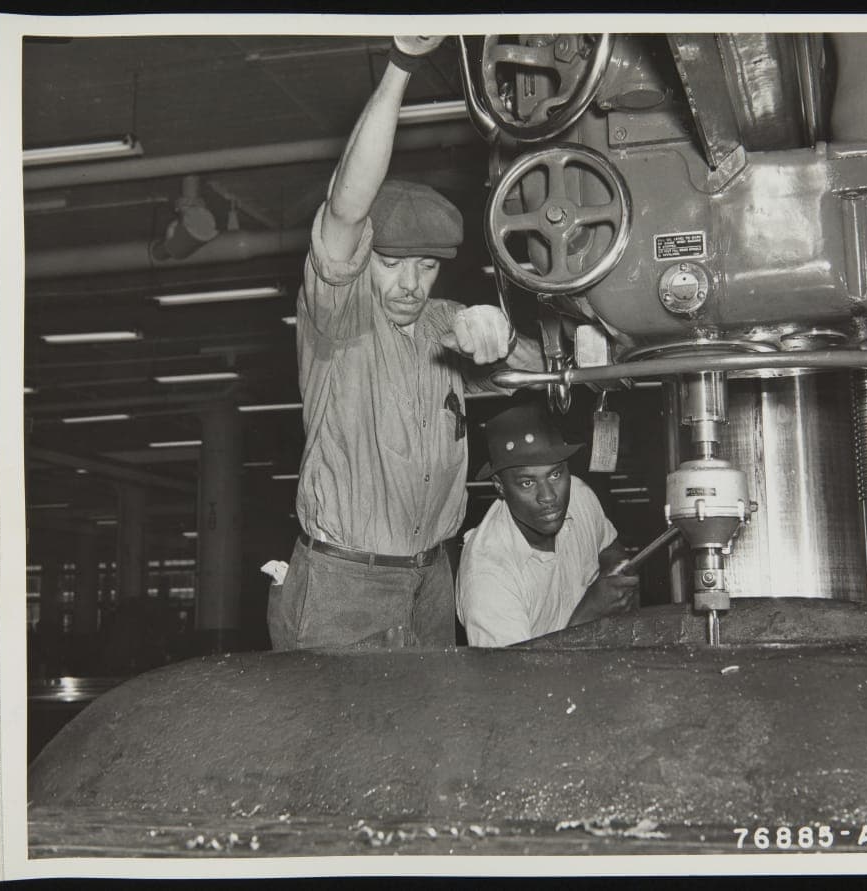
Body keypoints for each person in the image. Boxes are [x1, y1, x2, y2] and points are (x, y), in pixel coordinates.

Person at [268, 35, 541, 651]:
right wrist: (401, 66)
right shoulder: (336, 317)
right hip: (343, 583)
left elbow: (544, 368)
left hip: (430, 575)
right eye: (393, 263)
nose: (411, 286)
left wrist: (505, 335)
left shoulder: (444, 320)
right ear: (366, 259)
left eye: (427, 266)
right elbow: (345, 206)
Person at [456, 403, 640, 647]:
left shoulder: (580, 496)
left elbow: (609, 548)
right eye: (527, 483)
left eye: (555, 475)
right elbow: (512, 681)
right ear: (500, 486)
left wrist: (616, 575)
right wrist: (588, 615)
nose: (549, 497)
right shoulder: (487, 575)